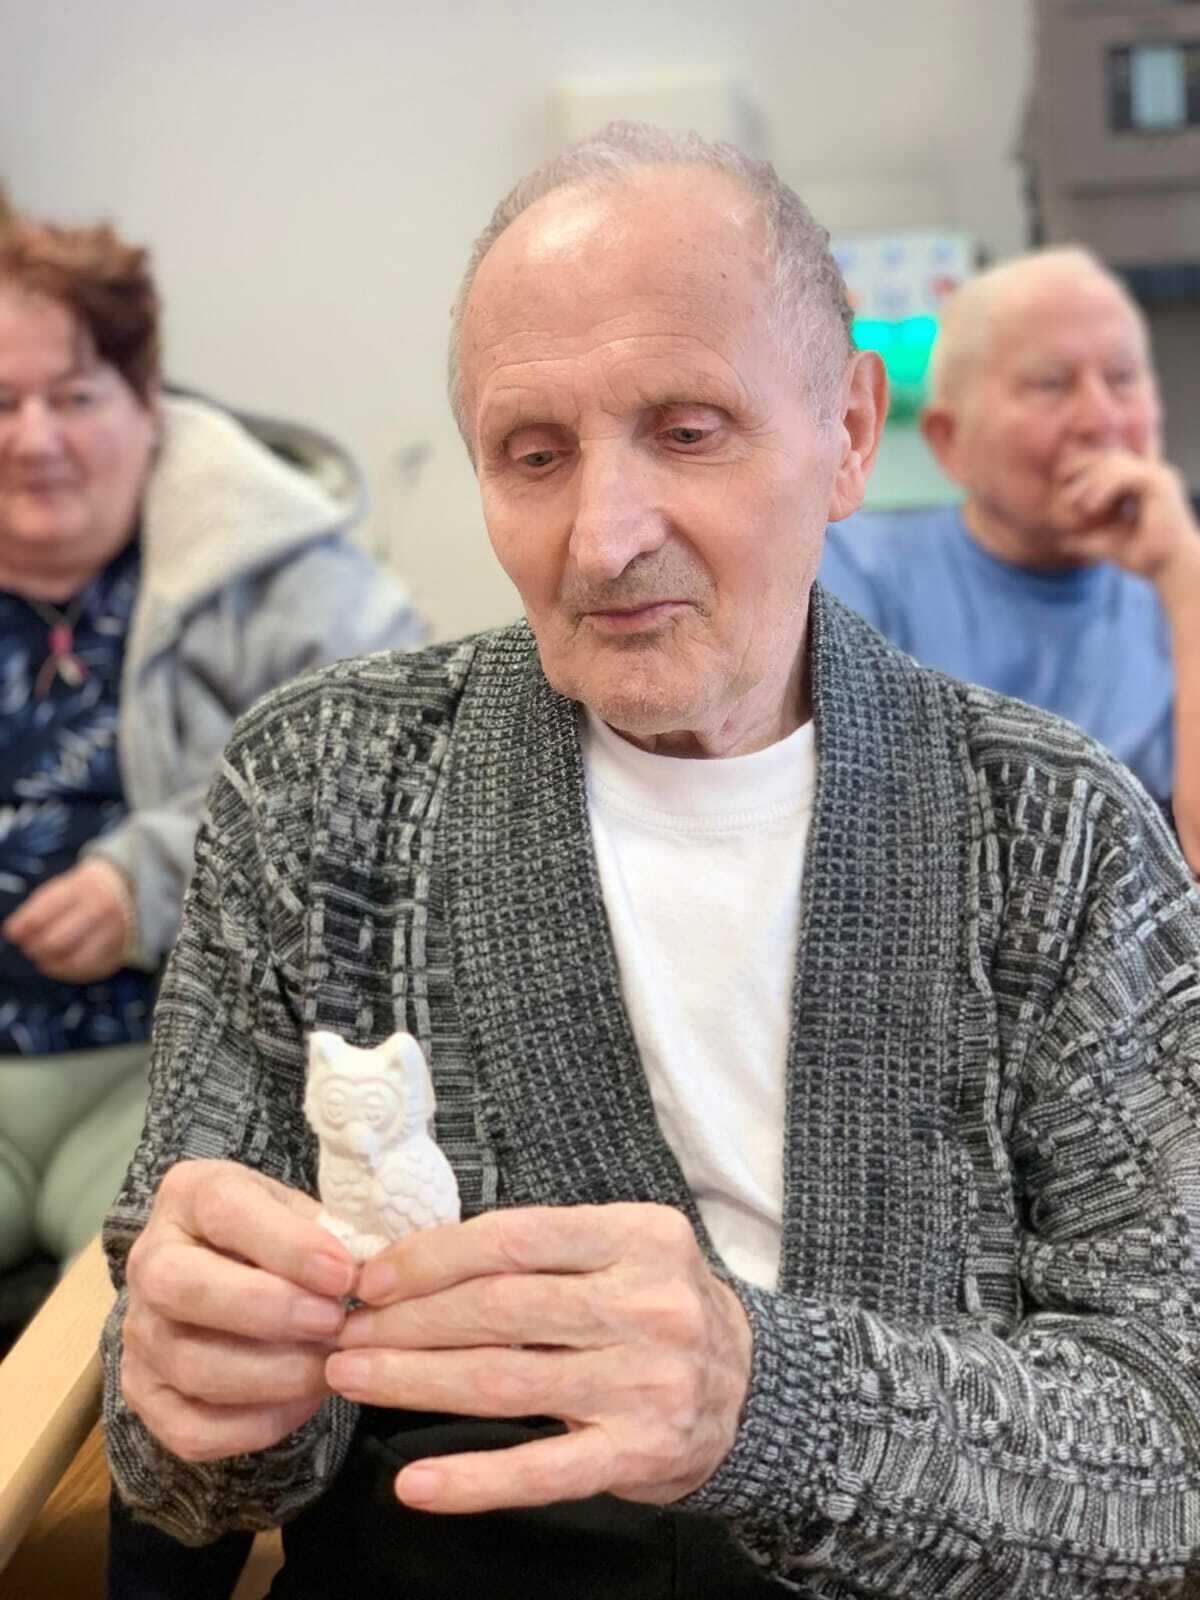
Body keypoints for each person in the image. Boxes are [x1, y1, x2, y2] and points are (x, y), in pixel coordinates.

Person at [101, 124, 1200, 1599]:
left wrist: (762, 1397)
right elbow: (176, 1465)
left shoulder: (1057, 835)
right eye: (533, 454)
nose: (603, 539)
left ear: (850, 434)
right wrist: (202, 1398)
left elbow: (1169, 1442)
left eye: (688, 431)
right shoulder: (324, 791)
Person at [0, 217, 427, 1282]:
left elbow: (391, 770)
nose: (34, 439)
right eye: (1, 402)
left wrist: (149, 877)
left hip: (177, 1067)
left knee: (164, 1289)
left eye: (75, 397)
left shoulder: (279, 570)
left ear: (147, 404)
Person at [820, 246, 1200, 874]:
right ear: (950, 441)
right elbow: (853, 845)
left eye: (1123, 378)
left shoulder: (1178, 588)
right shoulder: (857, 575)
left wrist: (1184, 578)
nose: (1100, 419)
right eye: (1050, 384)